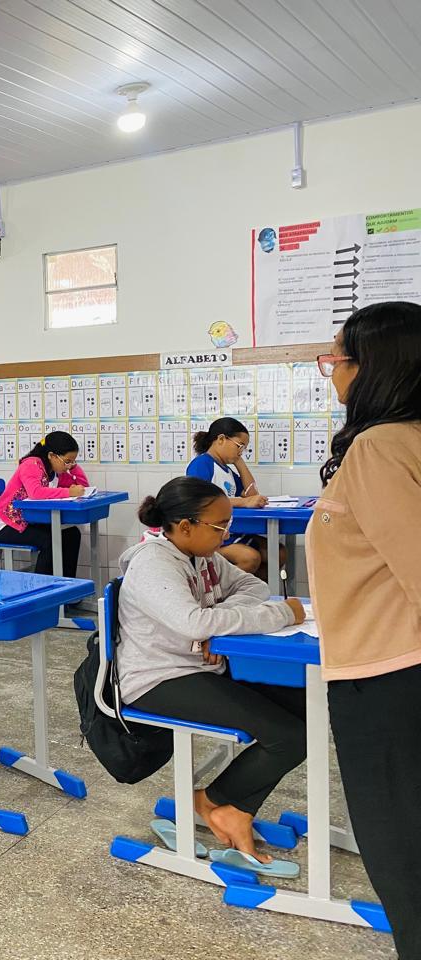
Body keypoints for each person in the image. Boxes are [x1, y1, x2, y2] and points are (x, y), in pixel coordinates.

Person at [306, 301, 421, 957]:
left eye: (337, 359)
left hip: (388, 677)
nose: (332, 372)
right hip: (396, 666)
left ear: (375, 367)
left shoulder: (379, 447)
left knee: (403, 860)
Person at [118, 476, 305, 863]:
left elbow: (253, 588)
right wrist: (282, 614)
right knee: (288, 737)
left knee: (304, 707)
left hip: (200, 668)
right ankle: (211, 801)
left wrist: (215, 622)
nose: (227, 534)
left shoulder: (203, 555)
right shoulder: (153, 563)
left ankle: (233, 809)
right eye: (220, 526)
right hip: (156, 678)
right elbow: (193, 624)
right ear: (185, 526)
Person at [0, 431, 87, 577]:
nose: (69, 466)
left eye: (73, 461)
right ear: (52, 455)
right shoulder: (31, 464)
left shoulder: (54, 470)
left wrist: (72, 467)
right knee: (49, 540)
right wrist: (69, 492)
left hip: (28, 521)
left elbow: (82, 486)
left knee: (72, 534)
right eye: (67, 461)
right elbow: (36, 493)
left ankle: (67, 586)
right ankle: (41, 587)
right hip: (6, 525)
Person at [186, 417, 273, 575]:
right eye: (239, 446)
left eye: (244, 448)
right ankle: (220, 587)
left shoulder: (227, 471)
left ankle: (249, 589)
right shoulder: (202, 464)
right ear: (221, 439)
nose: (241, 451)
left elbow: (252, 494)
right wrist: (243, 502)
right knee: (250, 558)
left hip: (231, 531)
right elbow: (199, 499)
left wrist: (239, 462)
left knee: (277, 553)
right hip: (209, 533)